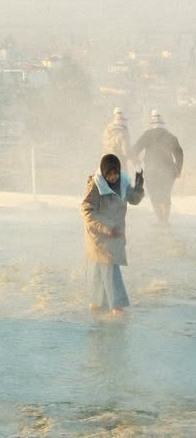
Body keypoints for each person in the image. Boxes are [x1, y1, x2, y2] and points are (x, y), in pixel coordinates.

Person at [81, 152, 144, 314]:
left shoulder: (123, 181)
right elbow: (87, 210)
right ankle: (117, 306)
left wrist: (138, 187)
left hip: (115, 233)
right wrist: (108, 227)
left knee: (101, 268)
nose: (113, 177)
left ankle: (97, 303)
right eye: (109, 174)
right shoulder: (95, 185)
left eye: (115, 173)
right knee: (109, 267)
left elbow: (134, 199)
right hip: (99, 235)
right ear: (103, 172)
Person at [132, 111, 184, 224]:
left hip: (151, 170)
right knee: (166, 194)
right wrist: (178, 169)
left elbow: (135, 149)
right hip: (168, 170)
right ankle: (165, 219)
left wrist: (137, 162)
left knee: (154, 195)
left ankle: (160, 219)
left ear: (151, 123)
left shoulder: (147, 134)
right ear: (163, 124)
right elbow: (179, 153)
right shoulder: (170, 136)